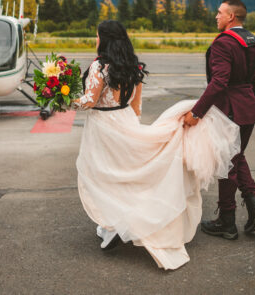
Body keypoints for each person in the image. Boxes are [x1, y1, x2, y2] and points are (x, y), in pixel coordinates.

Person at [72, 20, 241, 270]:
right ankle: (118, 224)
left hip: (103, 127)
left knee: (104, 176)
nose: (95, 40)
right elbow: (137, 106)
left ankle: (118, 224)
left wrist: (63, 98)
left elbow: (90, 100)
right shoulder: (133, 65)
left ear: (105, 39)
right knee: (127, 175)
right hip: (125, 120)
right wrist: (130, 130)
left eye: (97, 36)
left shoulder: (99, 65)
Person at [182, 0, 255, 240]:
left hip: (228, 109)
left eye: (220, 13)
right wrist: (247, 102)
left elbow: (218, 82)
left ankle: (227, 221)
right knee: (236, 157)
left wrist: (196, 112)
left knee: (228, 162)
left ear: (231, 17)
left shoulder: (224, 43)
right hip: (247, 107)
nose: (216, 16)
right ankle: (254, 210)